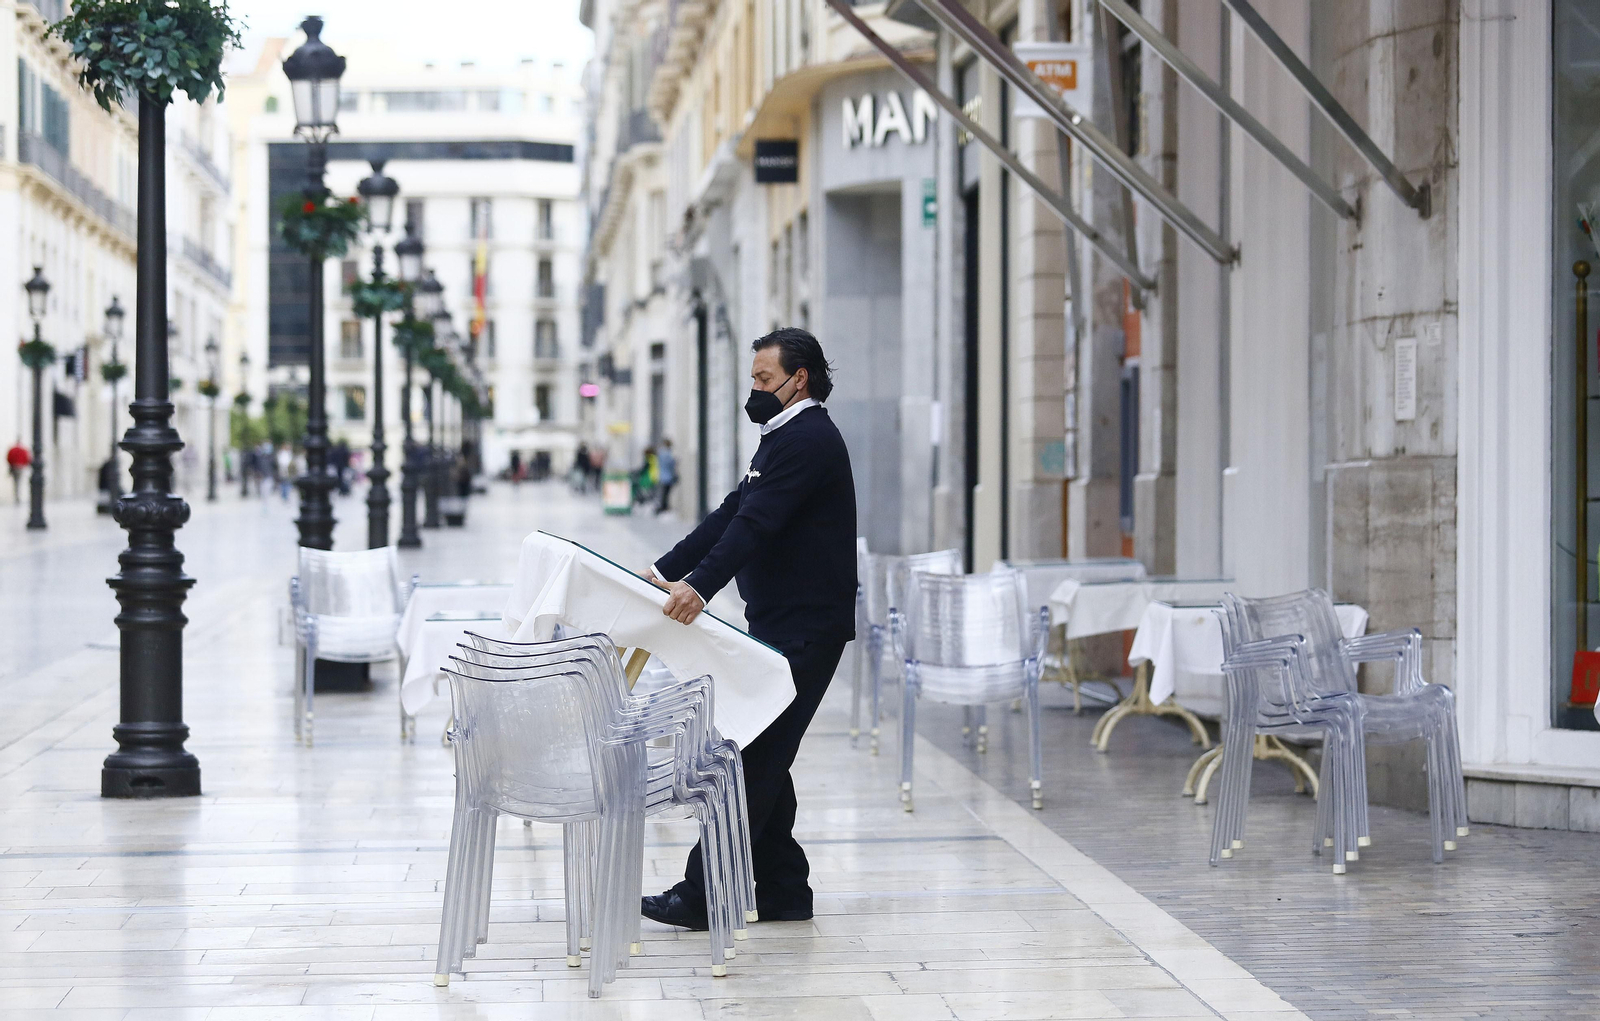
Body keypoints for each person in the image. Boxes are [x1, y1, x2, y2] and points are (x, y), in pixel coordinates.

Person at [642, 326, 856, 929]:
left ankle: (702, 893)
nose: (756, 390)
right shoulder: (784, 435)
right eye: (754, 379)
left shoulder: (808, 438)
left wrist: (699, 588)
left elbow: (755, 526)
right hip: (781, 622)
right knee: (766, 752)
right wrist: (665, 569)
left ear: (800, 379)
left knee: (751, 758)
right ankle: (785, 889)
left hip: (806, 627)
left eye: (764, 379)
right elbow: (734, 512)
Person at [655, 438, 678, 515]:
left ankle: (662, 507)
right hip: (668, 477)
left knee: (663, 493)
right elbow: (671, 464)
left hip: (662, 476)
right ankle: (664, 508)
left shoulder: (660, 453)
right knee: (666, 494)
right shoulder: (667, 453)